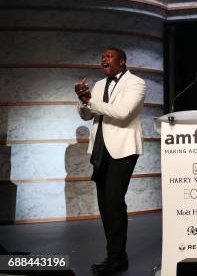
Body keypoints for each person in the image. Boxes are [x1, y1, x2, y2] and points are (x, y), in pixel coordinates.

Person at [74, 47, 146, 275]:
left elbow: (123, 112)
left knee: (115, 203)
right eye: (102, 56)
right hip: (100, 149)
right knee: (106, 206)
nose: (104, 58)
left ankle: (117, 259)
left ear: (121, 61)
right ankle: (113, 256)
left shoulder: (136, 83)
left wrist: (90, 102)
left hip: (123, 149)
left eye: (109, 56)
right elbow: (87, 115)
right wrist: (83, 100)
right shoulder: (98, 85)